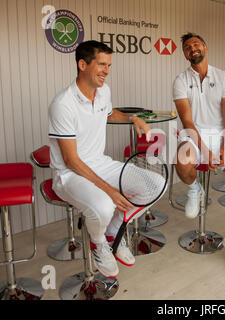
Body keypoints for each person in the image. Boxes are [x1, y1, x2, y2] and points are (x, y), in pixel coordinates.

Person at [48, 40, 155, 278]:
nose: (107, 70)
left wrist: (132, 119)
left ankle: (115, 229)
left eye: (109, 65)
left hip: (100, 163)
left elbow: (110, 113)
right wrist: (110, 190)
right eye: (102, 64)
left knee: (155, 186)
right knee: (105, 205)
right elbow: (71, 160)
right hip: (69, 174)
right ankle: (98, 242)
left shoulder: (103, 91)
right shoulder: (62, 104)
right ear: (83, 64)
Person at [173, 32, 225, 267]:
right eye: (188, 47)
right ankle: (194, 190)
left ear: (205, 48)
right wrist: (206, 151)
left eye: (196, 44)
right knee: (182, 160)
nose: (192, 48)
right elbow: (188, 123)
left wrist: (222, 148)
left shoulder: (224, 77)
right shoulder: (180, 80)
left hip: (222, 136)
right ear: (185, 53)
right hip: (195, 136)